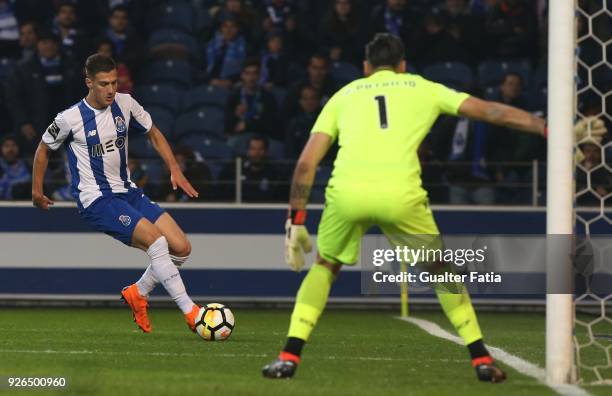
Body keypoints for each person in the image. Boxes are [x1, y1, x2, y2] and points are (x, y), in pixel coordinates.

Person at [262, 33, 548, 382]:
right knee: (441, 273)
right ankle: (481, 358)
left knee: (325, 265)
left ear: (366, 67)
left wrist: (296, 218)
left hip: (348, 192)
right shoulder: (423, 87)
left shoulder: (344, 95)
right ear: (403, 65)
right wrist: (545, 127)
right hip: (401, 193)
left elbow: (307, 162)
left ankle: (289, 355)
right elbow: (490, 111)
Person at [31, 54, 202, 334]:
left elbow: (154, 133)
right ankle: (191, 312)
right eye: (103, 84)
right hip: (97, 199)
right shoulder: (69, 118)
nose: (111, 89)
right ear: (89, 83)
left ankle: (138, 292)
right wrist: (37, 191)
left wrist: (174, 168)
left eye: (114, 82)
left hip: (128, 192)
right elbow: (42, 149)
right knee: (157, 243)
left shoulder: (126, 103)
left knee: (181, 248)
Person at [5, 30, 83, 158]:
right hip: (36, 128)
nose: (48, 46)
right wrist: (24, 122)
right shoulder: (24, 69)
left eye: (52, 43)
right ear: (38, 45)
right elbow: (13, 98)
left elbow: (82, 94)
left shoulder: (71, 66)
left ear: (58, 45)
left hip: (69, 126)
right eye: (44, 42)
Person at [224, 59, 278, 138]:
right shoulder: (234, 97)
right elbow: (227, 126)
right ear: (242, 75)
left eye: (254, 74)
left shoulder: (268, 97)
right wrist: (236, 115)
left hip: (260, 139)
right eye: (247, 73)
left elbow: (272, 125)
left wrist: (248, 125)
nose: (251, 78)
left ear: (259, 76)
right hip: (239, 138)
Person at [0, 135, 31, 200]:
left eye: (13, 145)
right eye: (6, 146)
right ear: (1, 148)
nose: (10, 149)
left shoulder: (28, 167)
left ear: (18, 148)